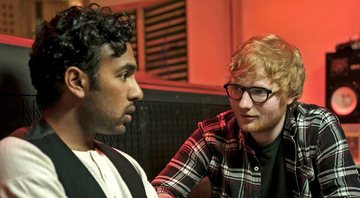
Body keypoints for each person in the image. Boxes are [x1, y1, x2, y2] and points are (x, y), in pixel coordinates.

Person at [152, 34, 360, 197]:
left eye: (259, 92)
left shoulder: (318, 126)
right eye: (237, 89)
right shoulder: (213, 134)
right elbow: (162, 188)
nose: (243, 104)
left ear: (290, 94)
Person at [0, 3, 157, 198]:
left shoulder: (127, 165)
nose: (137, 92)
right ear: (76, 81)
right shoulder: (22, 157)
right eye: (124, 75)